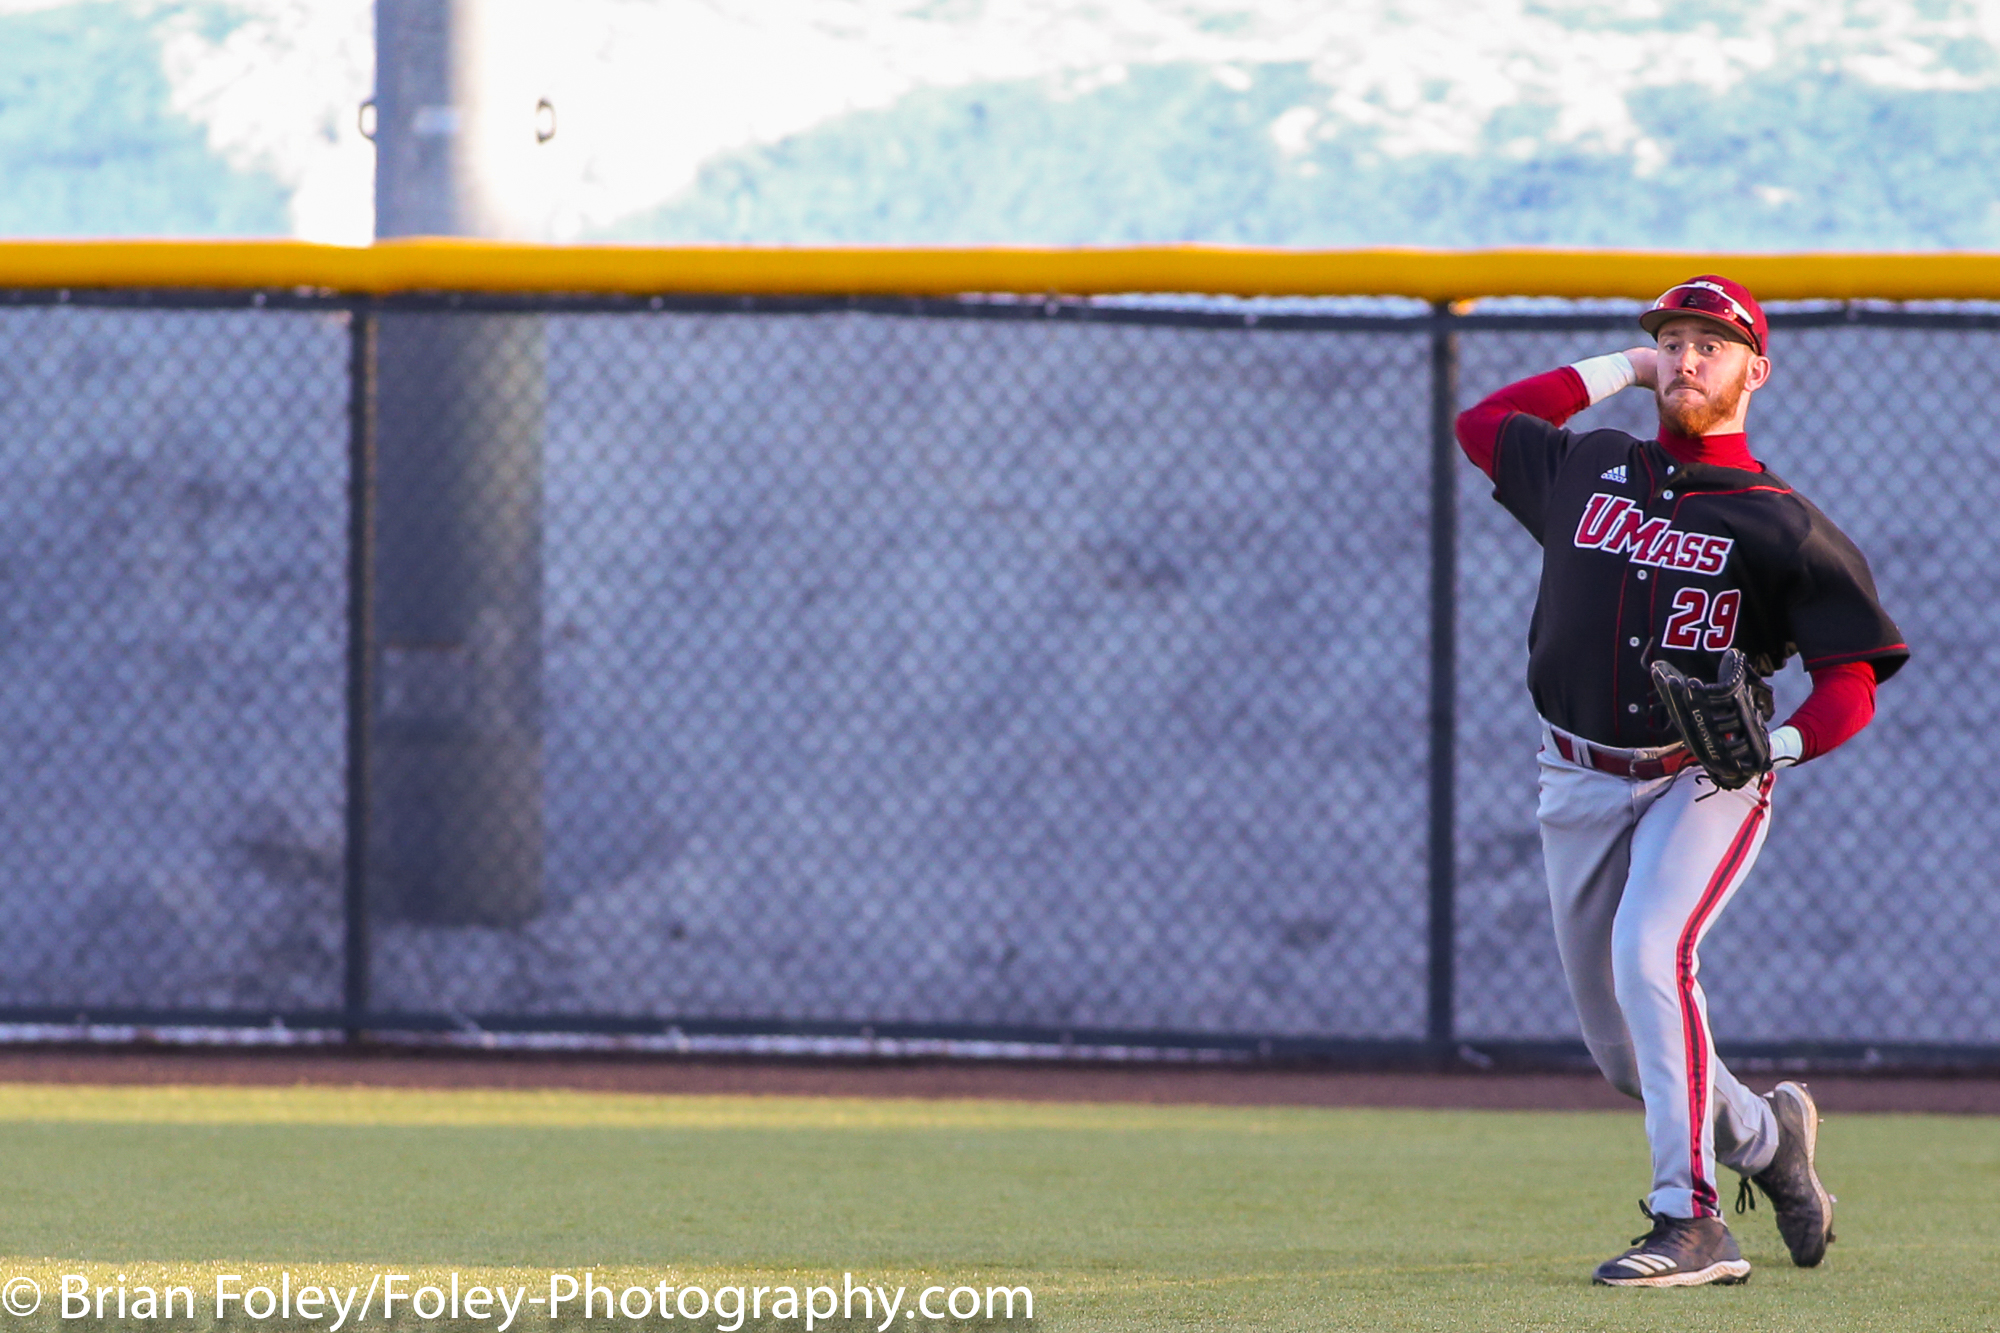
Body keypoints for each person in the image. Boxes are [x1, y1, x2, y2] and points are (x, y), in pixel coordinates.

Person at [1454, 276, 1909, 1287]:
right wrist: (1622, 365)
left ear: (1757, 367)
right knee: (1626, 1058)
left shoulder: (1780, 523)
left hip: (1700, 777)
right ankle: (1767, 1140)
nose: (1688, 357)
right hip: (1571, 775)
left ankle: (1690, 1219)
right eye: (1673, 338)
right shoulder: (1588, 466)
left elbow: (1849, 681)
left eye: (1712, 342)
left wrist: (1776, 749)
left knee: (1650, 952)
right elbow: (1483, 419)